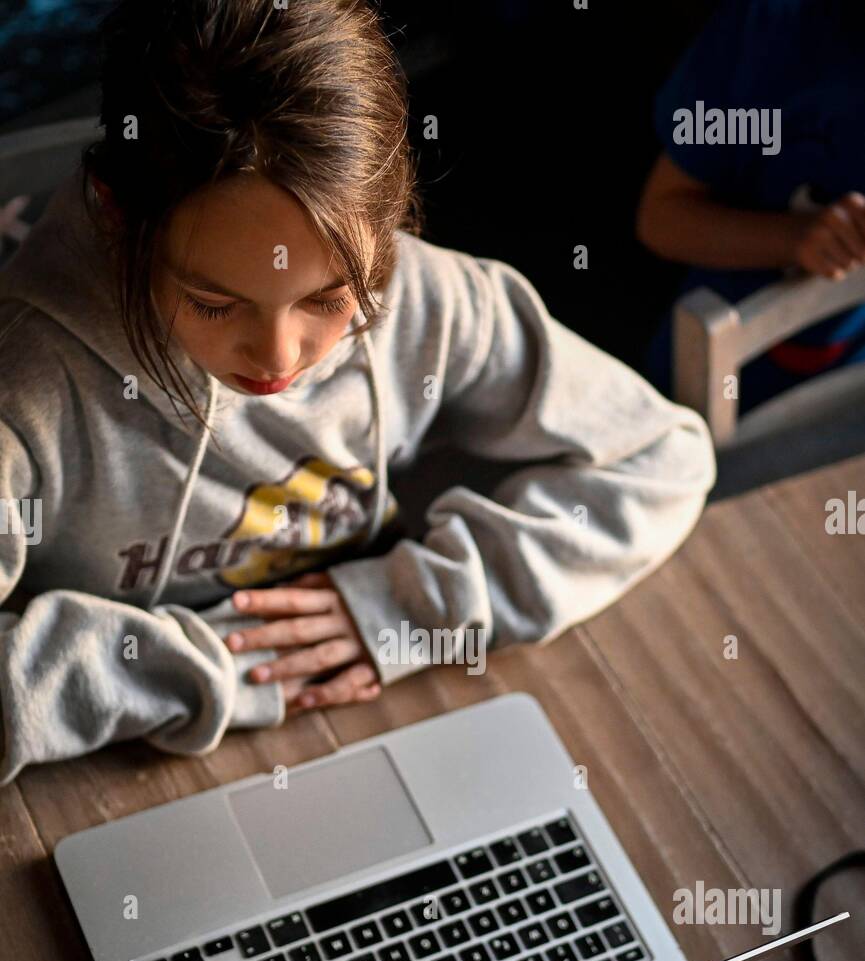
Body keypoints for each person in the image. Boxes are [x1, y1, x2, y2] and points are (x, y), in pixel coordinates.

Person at [0, 0, 714, 785]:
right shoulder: (23, 382)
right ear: (117, 215)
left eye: (328, 298)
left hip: (375, 716)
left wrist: (409, 606)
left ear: (388, 218)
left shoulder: (426, 297)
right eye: (212, 302)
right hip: (104, 775)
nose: (279, 357)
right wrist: (221, 667)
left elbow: (661, 455)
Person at [637, 0, 865, 415]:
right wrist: (795, 238)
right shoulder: (772, 29)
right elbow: (661, 218)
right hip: (719, 388)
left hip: (849, 401)